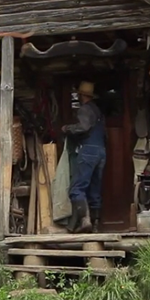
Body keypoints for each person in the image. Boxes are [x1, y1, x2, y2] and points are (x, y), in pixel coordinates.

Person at [61, 81, 106, 233]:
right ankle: (96, 226)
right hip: (101, 151)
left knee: (77, 188)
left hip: (88, 150)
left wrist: (67, 128)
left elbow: (83, 127)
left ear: (81, 96)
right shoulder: (97, 110)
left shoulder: (85, 110)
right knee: (94, 189)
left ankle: (85, 221)